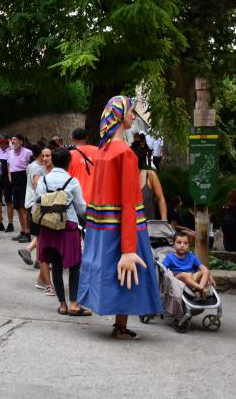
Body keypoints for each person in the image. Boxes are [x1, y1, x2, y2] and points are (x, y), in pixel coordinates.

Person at [77, 96, 162, 340]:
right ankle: (121, 326)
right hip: (122, 227)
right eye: (131, 111)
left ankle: (119, 324)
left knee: (111, 272)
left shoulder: (103, 151)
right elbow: (128, 202)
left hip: (101, 227)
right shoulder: (124, 153)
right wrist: (128, 247)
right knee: (126, 273)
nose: (133, 116)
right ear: (120, 115)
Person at [35, 147, 90, 316]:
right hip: (68, 228)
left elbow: (36, 206)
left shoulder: (43, 181)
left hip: (48, 229)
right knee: (74, 266)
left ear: (53, 160)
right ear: (68, 162)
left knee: (56, 266)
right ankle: (74, 304)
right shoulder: (72, 182)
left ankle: (62, 305)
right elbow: (81, 208)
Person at [23, 147, 54, 295]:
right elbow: (38, 190)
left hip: (49, 213)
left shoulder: (50, 170)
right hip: (39, 211)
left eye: (48, 155)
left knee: (47, 248)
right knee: (44, 248)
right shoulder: (38, 169)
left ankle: (42, 280)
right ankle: (46, 283)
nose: (46, 158)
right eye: (44, 155)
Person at [163, 231, 215, 299]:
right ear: (174, 245)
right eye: (179, 242)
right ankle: (201, 288)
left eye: (185, 243)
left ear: (188, 246)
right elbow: (163, 269)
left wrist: (209, 276)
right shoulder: (170, 257)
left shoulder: (191, 256)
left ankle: (200, 287)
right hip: (178, 279)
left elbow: (202, 267)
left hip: (192, 277)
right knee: (184, 275)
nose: (182, 245)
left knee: (205, 270)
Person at [7, 135, 34, 240]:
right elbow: (9, 165)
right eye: (12, 140)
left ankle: (28, 232)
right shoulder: (10, 153)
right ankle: (22, 231)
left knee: (24, 207)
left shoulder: (28, 152)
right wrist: (9, 176)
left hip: (23, 177)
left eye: (15, 140)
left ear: (21, 141)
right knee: (17, 207)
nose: (13, 141)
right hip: (14, 178)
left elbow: (31, 166)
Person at [68, 127, 98, 207]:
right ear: (86, 137)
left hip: (78, 199)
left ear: (73, 139)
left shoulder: (69, 155)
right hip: (96, 197)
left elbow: (68, 178)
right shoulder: (97, 151)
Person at [0, 134, 15, 233]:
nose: (1, 144)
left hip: (7, 176)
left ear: (6, 141)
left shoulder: (11, 149)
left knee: (8, 200)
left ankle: (10, 223)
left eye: (3, 142)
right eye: (0, 142)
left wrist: (10, 142)